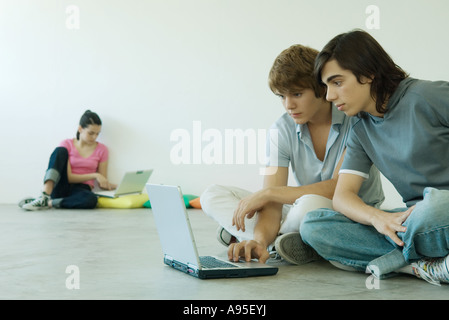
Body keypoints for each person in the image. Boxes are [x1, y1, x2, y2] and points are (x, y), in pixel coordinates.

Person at [200, 44, 384, 265]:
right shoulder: (281, 130)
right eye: (281, 96)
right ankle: (277, 244)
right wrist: (260, 235)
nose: (289, 105)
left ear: (320, 88)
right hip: (301, 209)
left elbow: (337, 188)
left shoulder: (352, 118)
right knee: (211, 195)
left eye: (297, 94)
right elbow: (273, 202)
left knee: (308, 206)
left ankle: (272, 240)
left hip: (350, 212)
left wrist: (269, 193)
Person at [301, 29, 449, 285]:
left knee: (433, 210)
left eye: (337, 82)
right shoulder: (360, 129)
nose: (329, 96)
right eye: (326, 86)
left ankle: (401, 260)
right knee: (313, 225)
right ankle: (422, 265)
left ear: (368, 73)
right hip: (414, 220)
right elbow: (342, 196)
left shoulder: (429, 97)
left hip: (438, 213)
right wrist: (377, 218)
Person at [22, 110, 116, 211]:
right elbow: (70, 177)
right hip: (62, 186)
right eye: (91, 133)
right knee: (60, 151)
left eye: (97, 134)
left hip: (82, 190)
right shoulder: (67, 144)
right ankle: (44, 196)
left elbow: (102, 181)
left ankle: (49, 203)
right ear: (80, 129)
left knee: (91, 200)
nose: (94, 137)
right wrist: (95, 175)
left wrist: (117, 187)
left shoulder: (102, 149)